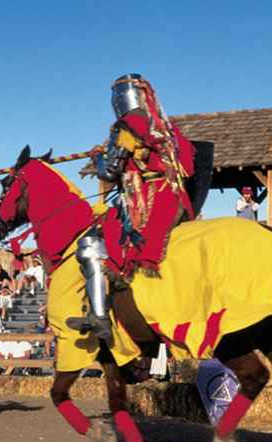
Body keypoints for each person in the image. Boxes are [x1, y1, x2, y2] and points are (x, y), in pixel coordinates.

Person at [82, 73, 201, 341]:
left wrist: (98, 157)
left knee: (92, 243)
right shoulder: (167, 129)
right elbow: (189, 168)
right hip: (175, 199)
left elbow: (111, 171)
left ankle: (99, 316)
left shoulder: (127, 126)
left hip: (146, 200)